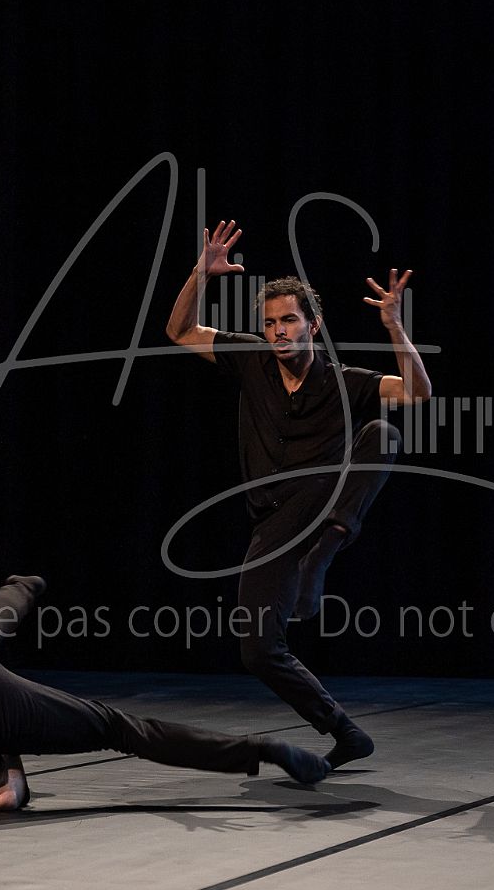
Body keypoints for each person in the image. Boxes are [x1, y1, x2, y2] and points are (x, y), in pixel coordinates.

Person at [165, 220, 432, 771]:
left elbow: (416, 392)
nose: (278, 331)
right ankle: (344, 730)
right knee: (258, 651)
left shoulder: (345, 380)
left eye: (289, 320)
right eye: (270, 323)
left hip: (323, 500)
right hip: (272, 522)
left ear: (314, 324)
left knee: (383, 433)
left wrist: (394, 328)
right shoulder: (250, 359)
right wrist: (201, 273)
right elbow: (180, 331)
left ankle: (326, 550)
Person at [0, 575, 329, 810]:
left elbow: (5, 800)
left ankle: (261, 750)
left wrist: (8, 749)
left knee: (122, 729)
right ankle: (25, 584)